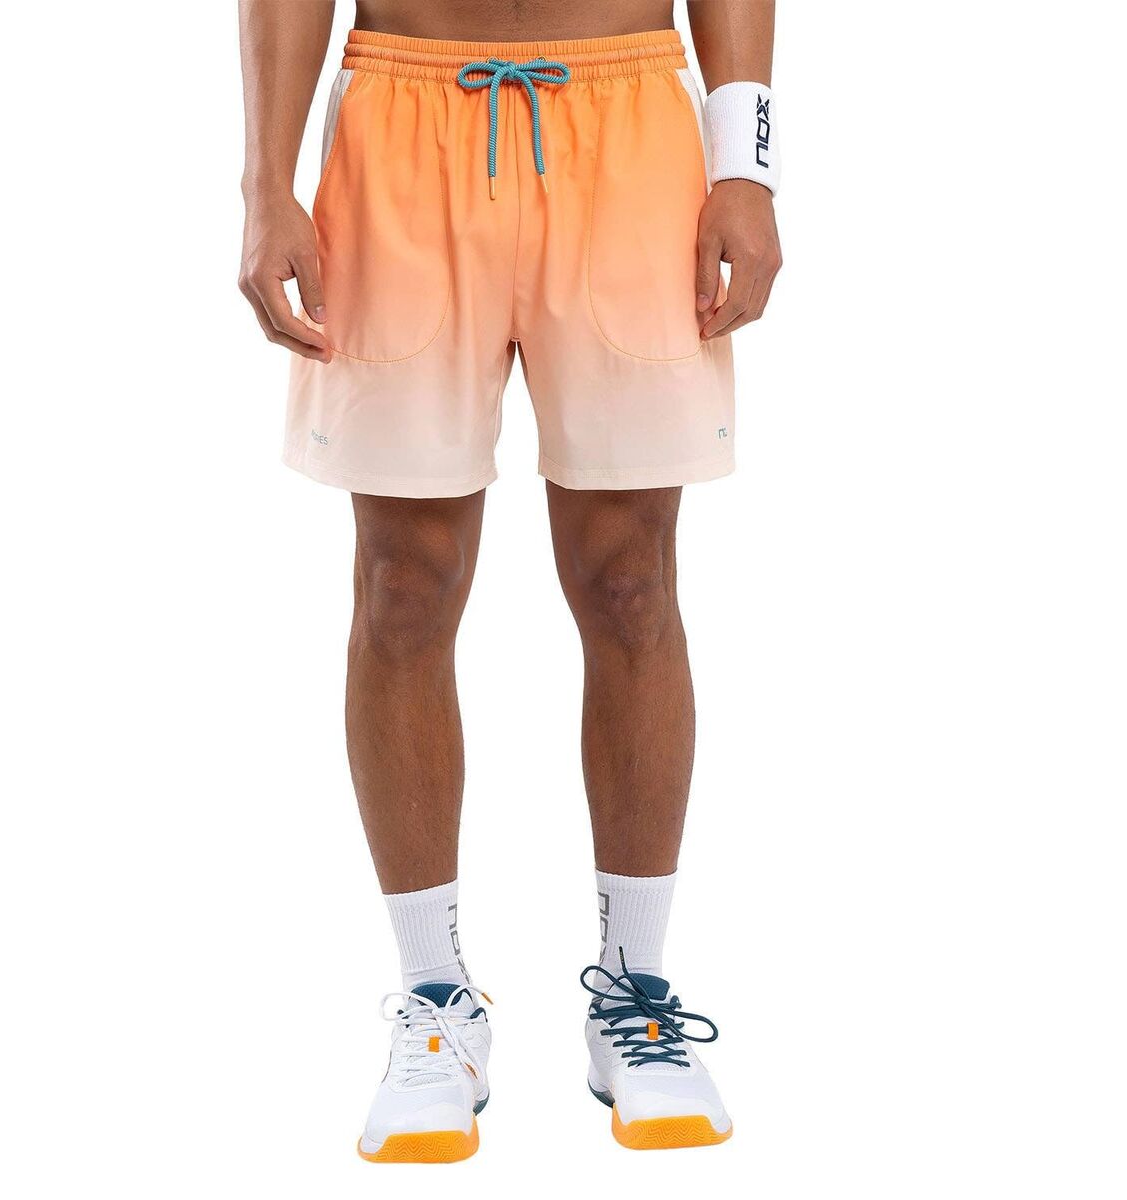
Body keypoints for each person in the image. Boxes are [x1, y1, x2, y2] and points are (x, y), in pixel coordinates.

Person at [238, 0, 781, 1161]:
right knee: (404, 583)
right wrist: (264, 183)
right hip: (400, 117)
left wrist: (748, 166)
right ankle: (436, 1002)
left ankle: (634, 994)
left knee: (632, 578)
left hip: (630, 120)